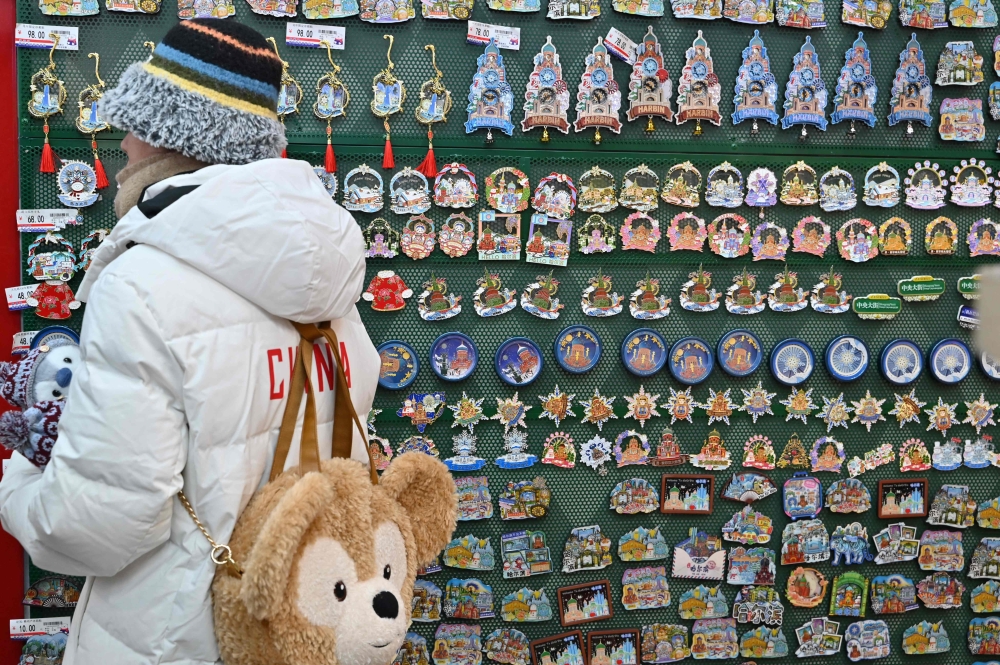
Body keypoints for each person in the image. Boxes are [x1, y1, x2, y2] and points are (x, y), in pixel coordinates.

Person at [0, 19, 379, 665]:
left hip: (178, 632)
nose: (122, 143)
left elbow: (98, 524)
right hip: (302, 622)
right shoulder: (330, 277)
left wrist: (19, 479)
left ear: (166, 136)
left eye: (134, 125)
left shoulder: (144, 283)